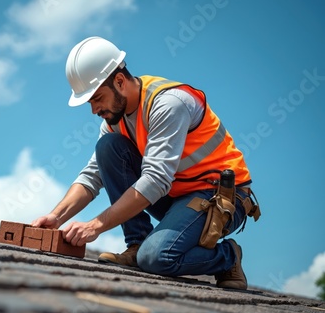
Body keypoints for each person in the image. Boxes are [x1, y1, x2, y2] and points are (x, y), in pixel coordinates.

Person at [32, 36, 260, 290]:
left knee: (156, 258)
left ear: (119, 81)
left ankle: (227, 257)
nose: (94, 110)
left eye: (97, 98)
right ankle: (137, 243)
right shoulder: (113, 120)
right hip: (177, 197)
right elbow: (92, 176)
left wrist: (95, 225)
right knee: (108, 148)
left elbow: (155, 181)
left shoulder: (168, 104)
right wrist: (56, 216)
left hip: (222, 196)